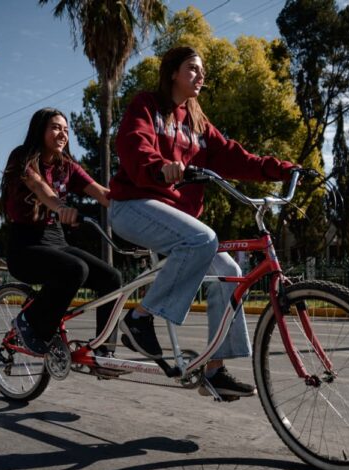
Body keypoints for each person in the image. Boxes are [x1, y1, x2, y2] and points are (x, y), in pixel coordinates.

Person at [109, 46, 298, 401]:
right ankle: (139, 320)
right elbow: (133, 144)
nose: (200, 75)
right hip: (132, 205)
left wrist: (279, 168)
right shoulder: (147, 105)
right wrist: (158, 167)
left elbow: (232, 155)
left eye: (202, 70)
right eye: (192, 69)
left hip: (175, 220)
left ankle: (214, 370)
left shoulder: (197, 120)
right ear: (173, 73)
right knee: (203, 237)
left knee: (228, 271)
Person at [0, 107, 122, 356]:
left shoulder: (68, 167)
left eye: (66, 130)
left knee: (113, 278)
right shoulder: (22, 157)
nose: (63, 134)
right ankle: (29, 324)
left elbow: (102, 193)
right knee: (75, 268)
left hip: (57, 241)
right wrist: (60, 207)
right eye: (56, 127)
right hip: (25, 246)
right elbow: (39, 187)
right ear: (40, 130)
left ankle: (103, 351)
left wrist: (141, 206)